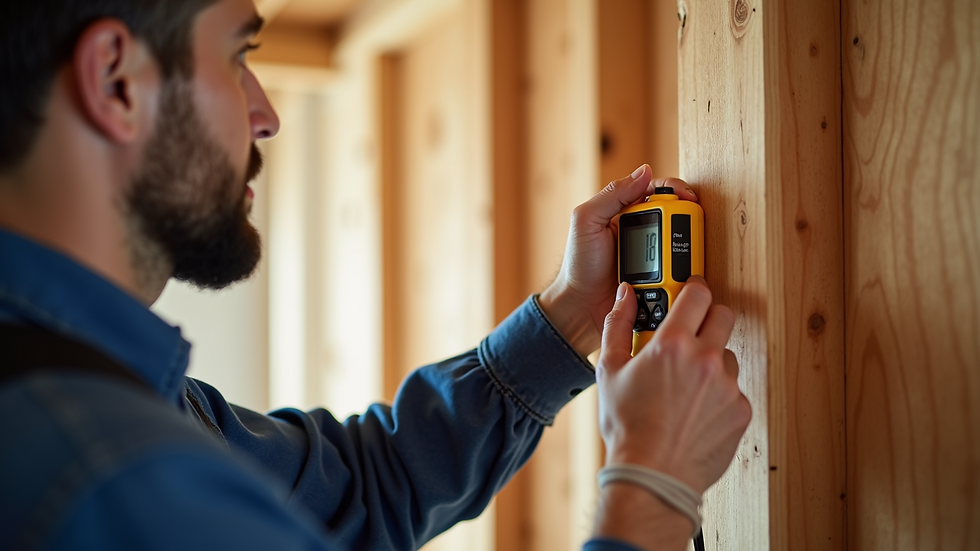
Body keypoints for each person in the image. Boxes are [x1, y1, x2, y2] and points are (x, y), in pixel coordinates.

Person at [0, 0, 751, 550]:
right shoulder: (110, 473)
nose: (266, 114)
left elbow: (365, 489)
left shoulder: (124, 400)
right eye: (236, 57)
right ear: (117, 82)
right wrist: (651, 487)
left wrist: (569, 318)